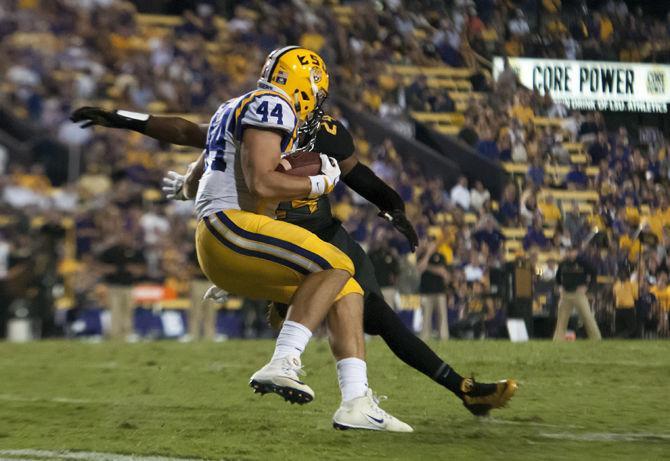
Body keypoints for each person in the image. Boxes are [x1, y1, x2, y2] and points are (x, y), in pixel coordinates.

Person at [72, 75, 517, 421]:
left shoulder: (318, 130)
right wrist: (127, 120)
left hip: (320, 236)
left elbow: (356, 175)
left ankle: (453, 389)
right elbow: (195, 134)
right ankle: (355, 395)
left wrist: (392, 205)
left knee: (378, 315)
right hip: (273, 238)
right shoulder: (259, 119)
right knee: (358, 312)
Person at [74, 46, 411, 432]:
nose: (317, 104)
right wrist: (319, 183)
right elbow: (263, 183)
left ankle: (356, 402)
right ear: (304, 85)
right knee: (337, 261)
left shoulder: (237, 107)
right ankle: (284, 361)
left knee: (347, 289)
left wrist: (125, 120)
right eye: (316, 93)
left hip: (228, 240)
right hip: (231, 228)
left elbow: (188, 135)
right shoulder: (273, 104)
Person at [553, 247, 602, 341]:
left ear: (576, 252)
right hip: (566, 294)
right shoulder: (563, 263)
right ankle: (558, 340)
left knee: (587, 316)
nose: (570, 253)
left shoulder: (583, 262)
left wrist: (587, 287)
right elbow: (558, 277)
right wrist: (560, 287)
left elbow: (594, 273)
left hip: (578, 294)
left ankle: (596, 338)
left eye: (572, 251)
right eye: (568, 251)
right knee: (561, 319)